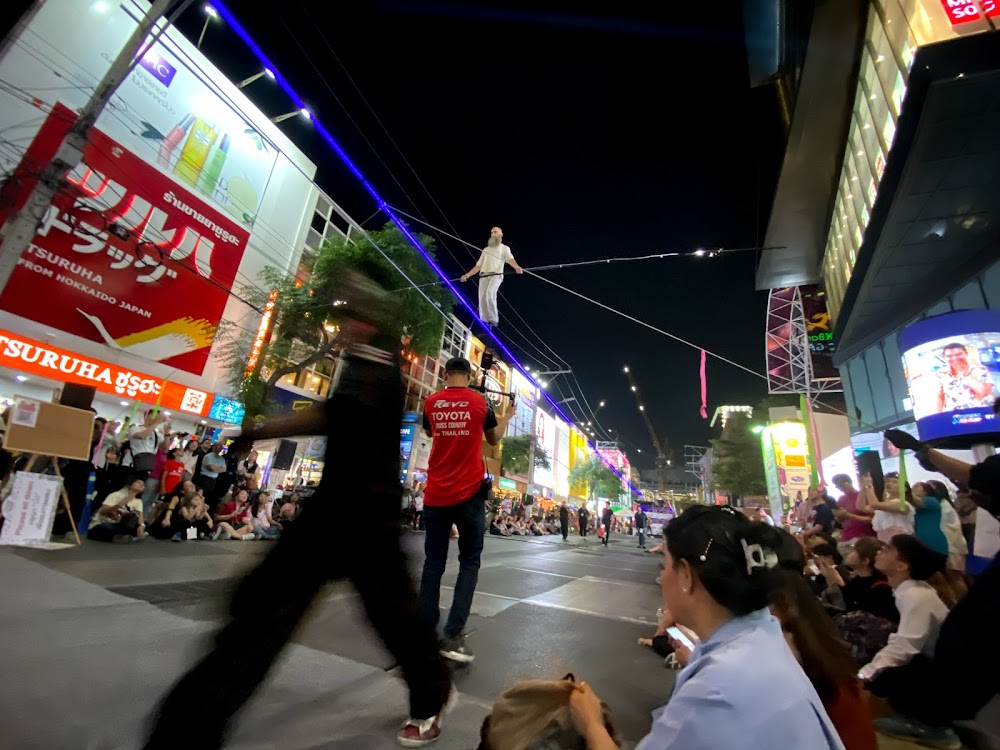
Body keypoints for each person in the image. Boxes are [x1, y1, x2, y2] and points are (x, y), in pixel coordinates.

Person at [143, 263, 454, 749]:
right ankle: (185, 732)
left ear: (372, 312)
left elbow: (336, 415)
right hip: (333, 509)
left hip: (367, 515)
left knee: (390, 618)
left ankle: (431, 693)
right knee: (262, 613)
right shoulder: (360, 356)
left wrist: (260, 429)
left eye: (352, 303)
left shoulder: (378, 358)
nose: (343, 314)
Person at [567, 506, 844, 749]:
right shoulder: (763, 632)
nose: (660, 578)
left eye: (665, 564)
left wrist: (591, 722)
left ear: (686, 575)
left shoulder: (717, 692)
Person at [418, 356, 514, 664]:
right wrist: (507, 417)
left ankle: (423, 630)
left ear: (445, 374)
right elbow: (494, 438)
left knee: (433, 562)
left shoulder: (431, 402)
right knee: (469, 562)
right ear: (470, 375)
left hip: (435, 494)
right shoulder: (480, 402)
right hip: (469, 495)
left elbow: (432, 433)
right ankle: (453, 635)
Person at [459, 226, 524, 327]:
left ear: (500, 234)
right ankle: (484, 320)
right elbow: (478, 266)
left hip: (496, 275)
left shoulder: (504, 248)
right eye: (492, 232)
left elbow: (510, 259)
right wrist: (467, 275)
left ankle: (493, 319)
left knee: (490, 293)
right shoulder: (486, 250)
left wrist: (516, 267)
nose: (493, 234)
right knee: (482, 297)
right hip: (484, 275)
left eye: (495, 232)